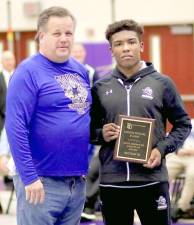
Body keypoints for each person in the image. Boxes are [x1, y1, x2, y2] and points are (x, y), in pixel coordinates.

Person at [90, 19, 192, 225]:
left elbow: (183, 124)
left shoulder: (162, 83)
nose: (126, 48)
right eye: (119, 44)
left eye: (131, 42)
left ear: (141, 45)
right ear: (111, 50)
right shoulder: (100, 87)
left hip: (152, 179)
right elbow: (90, 130)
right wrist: (102, 134)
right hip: (113, 182)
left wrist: (161, 149)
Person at [5, 6, 92, 225]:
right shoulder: (27, 72)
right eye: (57, 33)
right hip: (41, 182)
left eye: (69, 33)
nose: (64, 39)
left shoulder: (80, 71)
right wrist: (30, 177)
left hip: (76, 181)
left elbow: (83, 119)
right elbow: (15, 127)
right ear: (41, 36)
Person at [166, 119, 194, 222]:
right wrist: (176, 150)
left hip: (193, 157)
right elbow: (170, 136)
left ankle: (181, 208)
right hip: (178, 155)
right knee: (163, 172)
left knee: (193, 174)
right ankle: (163, 203)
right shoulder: (189, 122)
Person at [0, 50, 16, 213]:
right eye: (7, 59)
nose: (10, 62)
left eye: (12, 59)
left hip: (14, 122)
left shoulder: (19, 76)